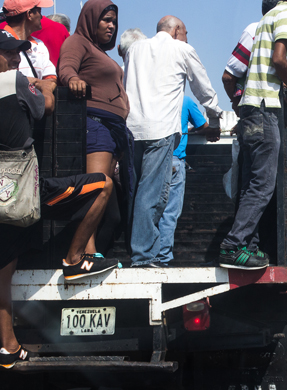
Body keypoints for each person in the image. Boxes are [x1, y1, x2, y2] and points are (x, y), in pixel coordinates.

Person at [0, 32, 117, 369]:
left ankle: (8, 348)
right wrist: (46, 86)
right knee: (103, 185)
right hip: (26, 191)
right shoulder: (15, 81)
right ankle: (74, 259)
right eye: (8, 54)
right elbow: (47, 106)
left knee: (3, 275)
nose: (15, 59)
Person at [218, 0, 287, 270]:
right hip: (265, 109)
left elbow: (256, 70)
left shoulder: (265, 18)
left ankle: (248, 247)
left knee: (250, 185)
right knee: (263, 185)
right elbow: (280, 59)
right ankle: (233, 245)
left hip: (250, 108)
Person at [124, 15, 222, 267]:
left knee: (136, 193)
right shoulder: (182, 49)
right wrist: (215, 118)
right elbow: (203, 89)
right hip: (161, 131)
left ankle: (142, 253)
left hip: (132, 130)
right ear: (177, 30)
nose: (188, 37)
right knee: (153, 196)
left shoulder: (135, 49)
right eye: (187, 32)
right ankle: (145, 257)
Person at [58, 0, 131, 256]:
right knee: (96, 191)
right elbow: (66, 67)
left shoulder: (100, 52)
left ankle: (94, 253)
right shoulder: (77, 42)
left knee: (109, 206)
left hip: (112, 132)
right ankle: (83, 254)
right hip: (95, 126)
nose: (111, 25)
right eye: (106, 20)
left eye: (114, 21)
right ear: (90, 19)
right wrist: (73, 79)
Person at [222, 0, 287, 117]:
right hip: (274, 110)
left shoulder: (257, 26)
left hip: (256, 106)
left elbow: (228, 77)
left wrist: (237, 104)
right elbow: (279, 60)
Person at [156, 96, 210, 264]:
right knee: (169, 213)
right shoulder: (184, 100)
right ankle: (162, 258)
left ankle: (146, 255)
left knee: (148, 210)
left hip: (149, 159)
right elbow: (204, 126)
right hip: (173, 160)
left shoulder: (150, 97)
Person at [1, 0, 56, 83]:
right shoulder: (1, 44)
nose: (41, 16)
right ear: (29, 14)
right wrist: (39, 84)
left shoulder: (40, 45)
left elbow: (50, 79)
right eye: (39, 12)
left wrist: (46, 90)